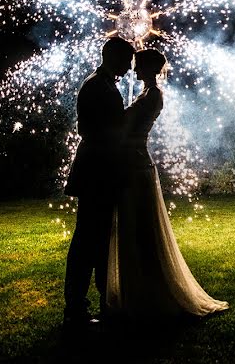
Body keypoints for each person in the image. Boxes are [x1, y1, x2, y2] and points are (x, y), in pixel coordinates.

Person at [105, 48, 229, 319]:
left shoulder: (152, 96)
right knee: (136, 228)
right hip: (134, 163)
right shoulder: (147, 94)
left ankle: (149, 293)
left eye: (138, 66)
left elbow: (125, 125)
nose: (134, 70)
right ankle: (140, 291)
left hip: (137, 166)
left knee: (142, 228)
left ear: (149, 69)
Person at [62, 37, 135, 330]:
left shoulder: (103, 83)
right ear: (113, 57)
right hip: (97, 173)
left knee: (97, 239)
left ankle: (100, 301)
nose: (130, 67)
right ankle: (76, 309)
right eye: (127, 60)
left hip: (100, 171)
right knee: (87, 242)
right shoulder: (96, 85)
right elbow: (88, 128)